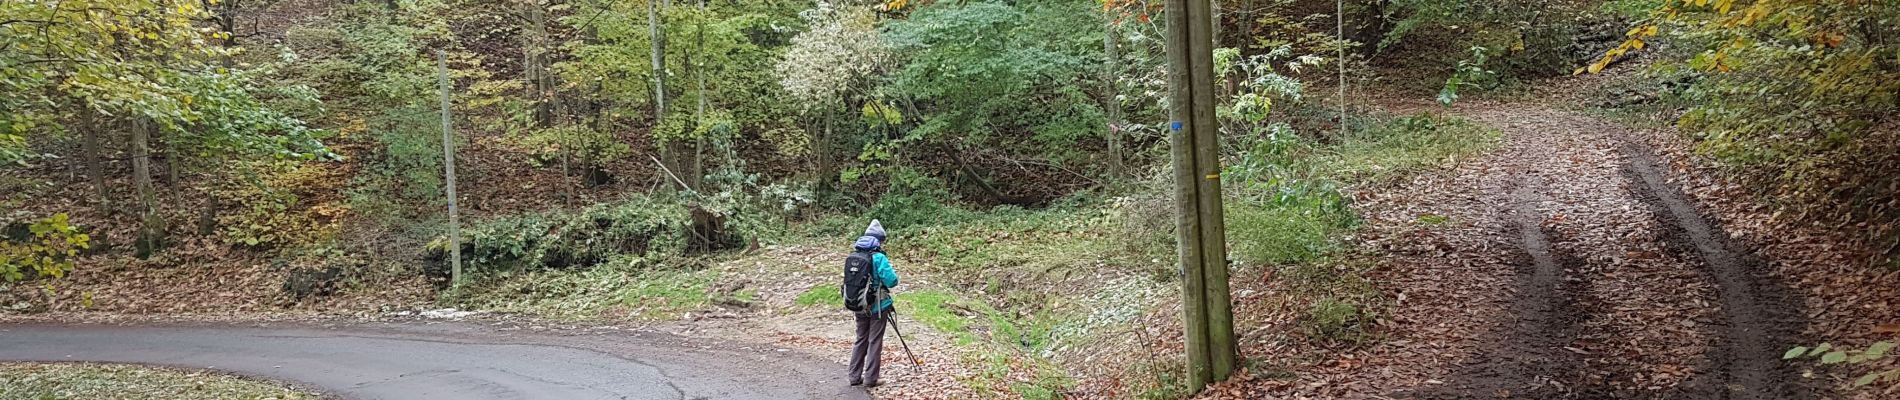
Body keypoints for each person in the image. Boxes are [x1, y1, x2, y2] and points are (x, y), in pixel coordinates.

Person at [846, 219, 898, 387]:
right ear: (879, 240)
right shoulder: (879, 258)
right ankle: (870, 379)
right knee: (875, 340)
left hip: (858, 305)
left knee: (861, 338)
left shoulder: (853, 256)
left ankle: (854, 377)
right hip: (878, 307)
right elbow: (892, 281)